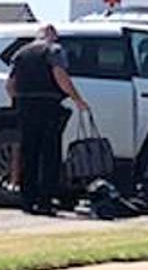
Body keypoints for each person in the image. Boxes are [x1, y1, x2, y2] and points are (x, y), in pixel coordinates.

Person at [5, 24, 88, 216]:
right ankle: (45, 201)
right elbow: (60, 75)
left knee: (29, 153)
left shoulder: (21, 53)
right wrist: (77, 99)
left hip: (26, 106)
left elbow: (10, 85)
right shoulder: (54, 50)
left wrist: (18, 102)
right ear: (52, 36)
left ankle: (27, 201)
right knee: (50, 155)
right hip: (48, 105)